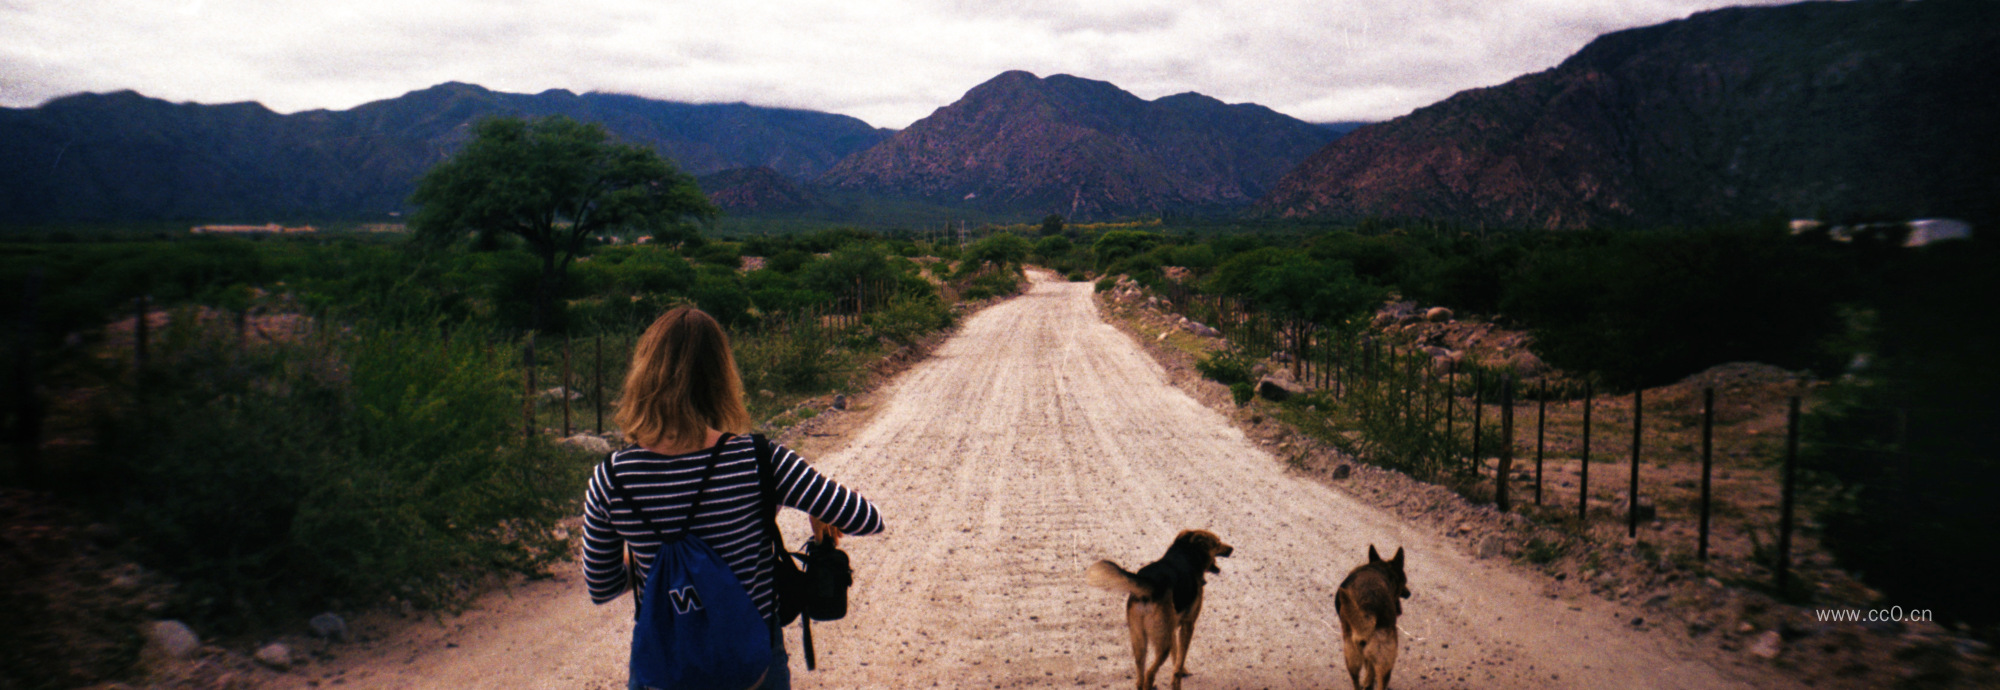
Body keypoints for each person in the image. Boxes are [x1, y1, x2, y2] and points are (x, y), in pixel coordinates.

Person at [583, 305, 883, 689]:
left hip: (667, 671)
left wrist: (653, 552)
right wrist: (785, 507)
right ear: (721, 376)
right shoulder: (760, 459)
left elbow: (602, 585)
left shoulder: (610, 477)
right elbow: (868, 518)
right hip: (751, 671)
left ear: (644, 375)